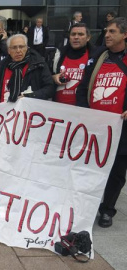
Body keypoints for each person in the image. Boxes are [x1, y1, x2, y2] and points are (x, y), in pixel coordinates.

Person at [76, 17, 127, 228]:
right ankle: (90, 203)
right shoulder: (98, 55)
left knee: (116, 171)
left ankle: (107, 209)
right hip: (95, 125)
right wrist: (84, 113)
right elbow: (83, 86)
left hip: (121, 127)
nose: (107, 35)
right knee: (92, 166)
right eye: (106, 31)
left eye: (112, 32)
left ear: (125, 35)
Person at [0, 34, 55, 103]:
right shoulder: (1, 66)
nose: (18, 50)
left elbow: (50, 89)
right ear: (8, 51)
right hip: (3, 110)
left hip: (29, 110)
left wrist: (30, 96)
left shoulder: (39, 64)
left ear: (26, 48)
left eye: (21, 47)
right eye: (14, 47)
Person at [51, 23, 94, 105]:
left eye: (80, 34)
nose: (76, 37)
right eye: (73, 34)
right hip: (58, 108)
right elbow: (47, 77)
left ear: (88, 37)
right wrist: (54, 77)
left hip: (83, 109)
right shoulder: (59, 53)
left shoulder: (95, 56)